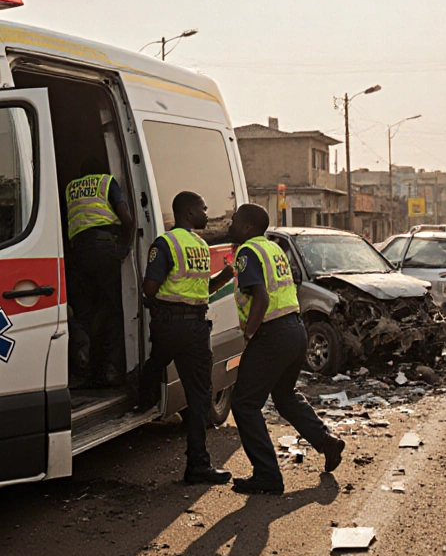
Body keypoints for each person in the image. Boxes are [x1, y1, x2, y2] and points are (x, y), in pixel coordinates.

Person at [225, 204, 345, 495]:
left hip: (272, 333)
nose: (230, 224)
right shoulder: (272, 249)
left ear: (249, 227)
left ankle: (267, 475)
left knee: (243, 403)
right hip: (294, 330)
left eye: (235, 220)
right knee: (284, 396)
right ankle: (327, 442)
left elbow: (261, 299)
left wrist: (250, 335)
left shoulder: (248, 252)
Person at [139, 191, 235, 484]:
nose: (208, 214)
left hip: (170, 326)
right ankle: (198, 465)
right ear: (189, 213)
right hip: (192, 330)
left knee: (156, 363)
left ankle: (140, 400)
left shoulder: (175, 244)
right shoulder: (190, 244)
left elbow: (154, 289)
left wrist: (225, 276)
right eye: (204, 209)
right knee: (199, 397)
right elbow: (154, 287)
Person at [64, 157, 135, 387]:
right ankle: (112, 369)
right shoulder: (107, 182)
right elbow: (127, 219)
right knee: (114, 309)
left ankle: (83, 369)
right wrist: (124, 246)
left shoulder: (71, 188)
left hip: (78, 253)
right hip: (104, 249)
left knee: (84, 312)